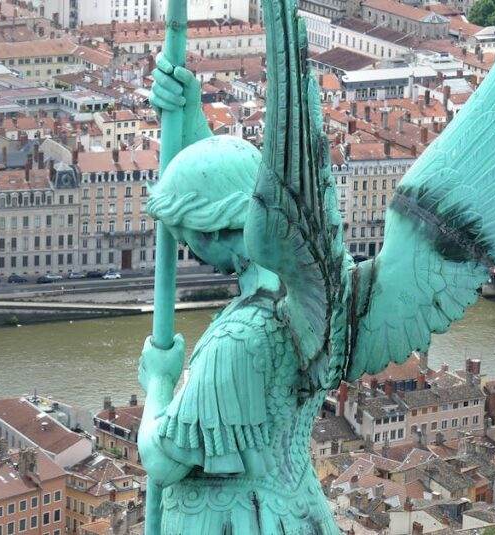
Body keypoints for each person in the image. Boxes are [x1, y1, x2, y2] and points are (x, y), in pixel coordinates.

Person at [136, 55, 340, 534]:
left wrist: (159, 383)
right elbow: (238, 188)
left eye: (187, 236)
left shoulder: (240, 339)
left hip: (237, 521)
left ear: (209, 231)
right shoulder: (308, 290)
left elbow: (163, 461)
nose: (188, 247)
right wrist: (189, 117)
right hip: (296, 512)